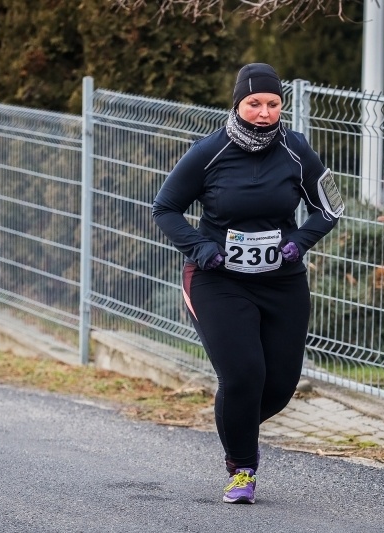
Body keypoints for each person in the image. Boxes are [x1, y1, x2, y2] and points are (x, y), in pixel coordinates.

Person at [152, 63, 343, 504]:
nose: (263, 112)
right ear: (237, 104)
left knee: (278, 385)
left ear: (282, 106)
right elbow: (165, 209)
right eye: (254, 103)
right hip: (219, 281)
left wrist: (299, 241)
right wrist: (202, 250)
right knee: (242, 375)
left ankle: (231, 418)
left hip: (282, 282)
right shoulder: (208, 152)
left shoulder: (297, 150)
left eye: (272, 104)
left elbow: (330, 208)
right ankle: (242, 468)